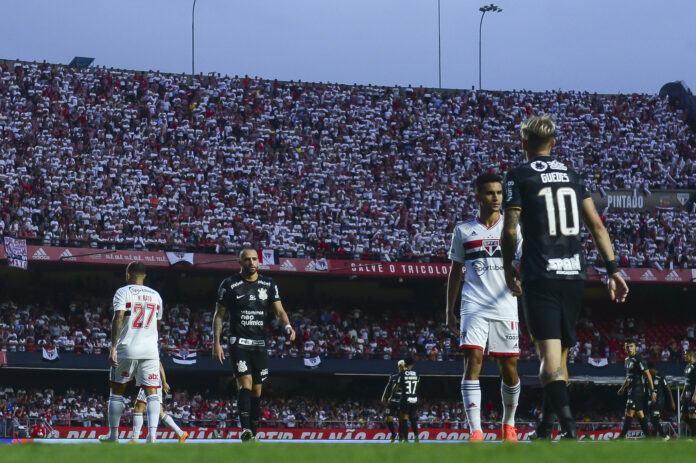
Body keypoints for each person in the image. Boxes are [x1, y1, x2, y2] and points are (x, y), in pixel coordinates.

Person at [501, 114, 629, 440]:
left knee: (548, 362)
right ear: (553, 143)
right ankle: (545, 429)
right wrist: (613, 271)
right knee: (561, 359)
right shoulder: (572, 175)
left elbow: (510, 229)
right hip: (574, 274)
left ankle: (570, 432)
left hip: (540, 274)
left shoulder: (518, 176)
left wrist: (506, 267)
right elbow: (597, 226)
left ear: (523, 143)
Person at [446, 172, 523, 443]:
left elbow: (522, 265)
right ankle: (475, 430)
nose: (496, 198)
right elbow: (455, 272)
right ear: (477, 195)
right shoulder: (463, 230)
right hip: (473, 304)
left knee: (509, 368)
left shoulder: (513, 228)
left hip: (504, 304)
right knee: (473, 362)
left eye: (500, 193)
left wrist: (519, 280)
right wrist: (449, 310)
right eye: (490, 193)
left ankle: (508, 424)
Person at [212, 248, 296, 442]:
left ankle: (253, 435)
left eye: (254, 259)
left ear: (259, 262)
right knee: (245, 385)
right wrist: (216, 343)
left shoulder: (268, 284)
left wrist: (288, 326)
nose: (251, 262)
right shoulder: (230, 284)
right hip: (238, 342)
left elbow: (279, 311)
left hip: (260, 344)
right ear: (240, 262)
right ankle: (245, 431)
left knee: (257, 390)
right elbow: (219, 315)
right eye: (247, 259)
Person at [99, 262, 164, 443]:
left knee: (117, 392)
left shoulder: (123, 292)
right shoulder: (156, 296)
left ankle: (114, 435)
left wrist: (112, 347)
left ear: (128, 274)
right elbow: (158, 325)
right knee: (152, 393)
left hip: (127, 347)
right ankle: (152, 437)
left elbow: (118, 317)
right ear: (145, 276)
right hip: (150, 349)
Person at [129, 361, 189, 443]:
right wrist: (164, 382)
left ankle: (136, 439)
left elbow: (159, 364)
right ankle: (181, 433)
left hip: (150, 381)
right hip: (155, 381)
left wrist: (164, 382)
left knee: (138, 408)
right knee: (160, 413)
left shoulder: (143, 351)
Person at [617, 340, 654, 438]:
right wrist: (623, 388)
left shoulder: (639, 360)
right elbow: (629, 376)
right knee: (639, 413)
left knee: (629, 411)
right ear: (625, 348)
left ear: (635, 347)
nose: (629, 348)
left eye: (631, 346)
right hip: (630, 389)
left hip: (638, 390)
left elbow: (648, 375)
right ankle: (649, 436)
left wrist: (652, 390)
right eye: (627, 346)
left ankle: (622, 436)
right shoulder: (626, 360)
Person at [391, 357, 420, 443]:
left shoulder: (402, 373)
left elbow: (396, 387)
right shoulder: (416, 374)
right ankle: (416, 437)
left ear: (405, 364)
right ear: (413, 364)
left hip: (405, 398)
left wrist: (392, 396)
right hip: (414, 398)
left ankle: (406, 439)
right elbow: (416, 386)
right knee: (413, 419)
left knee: (404, 419)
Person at [647, 364, 675, 440]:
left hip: (659, 402)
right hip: (651, 402)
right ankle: (664, 436)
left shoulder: (660, 377)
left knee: (655, 418)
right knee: (653, 420)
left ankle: (655, 437)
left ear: (652, 369)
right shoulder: (647, 378)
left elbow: (668, 389)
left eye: (649, 370)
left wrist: (672, 401)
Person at [381, 360, 405, 442]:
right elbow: (388, 386)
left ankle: (401, 435)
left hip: (401, 401)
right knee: (389, 419)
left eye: (403, 366)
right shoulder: (393, 376)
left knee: (401, 419)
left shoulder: (407, 377)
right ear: (398, 367)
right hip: (391, 401)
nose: (402, 367)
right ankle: (393, 433)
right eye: (400, 366)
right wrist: (384, 396)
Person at [680, 349, 696, 437]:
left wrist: (695, 395)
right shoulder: (687, 366)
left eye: (686, 355)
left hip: (693, 394)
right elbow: (686, 382)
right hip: (687, 395)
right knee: (683, 416)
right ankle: (694, 430)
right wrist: (682, 393)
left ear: (691, 355)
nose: (684, 356)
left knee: (692, 415)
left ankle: (693, 436)